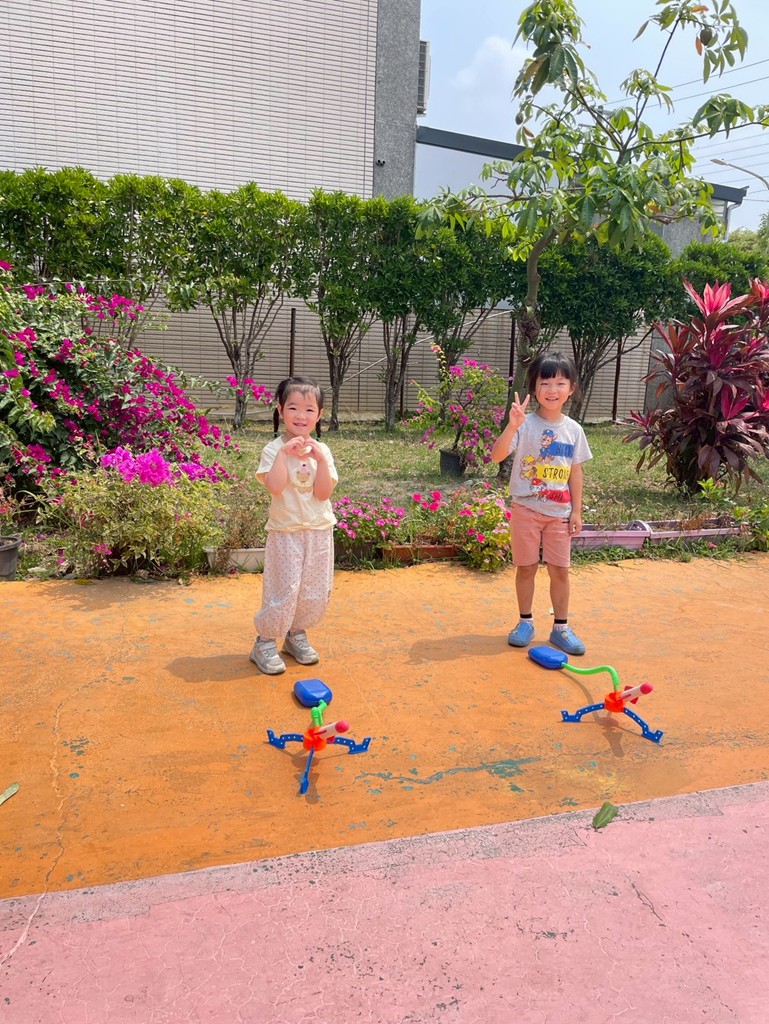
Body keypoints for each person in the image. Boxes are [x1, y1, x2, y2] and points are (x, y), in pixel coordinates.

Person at [490, 352, 592, 656]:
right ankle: (525, 622)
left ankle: (561, 628)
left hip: (559, 514)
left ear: (571, 389)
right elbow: (496, 456)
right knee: (526, 568)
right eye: (545, 383)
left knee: (560, 570)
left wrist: (576, 511)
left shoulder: (574, 430)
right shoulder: (525, 425)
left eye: (560, 383)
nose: (552, 389)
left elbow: (575, 471)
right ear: (534, 388)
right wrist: (512, 426)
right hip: (525, 510)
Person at [250, 376, 338, 675]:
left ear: (319, 415)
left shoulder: (323, 451)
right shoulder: (273, 450)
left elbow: (323, 493)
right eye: (293, 408)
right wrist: (283, 455)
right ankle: (264, 642)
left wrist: (320, 461)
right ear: (280, 410)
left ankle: (296, 634)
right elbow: (275, 487)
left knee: (314, 589)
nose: (301, 415)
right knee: (283, 589)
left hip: (319, 530)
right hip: (286, 532)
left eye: (309, 409)